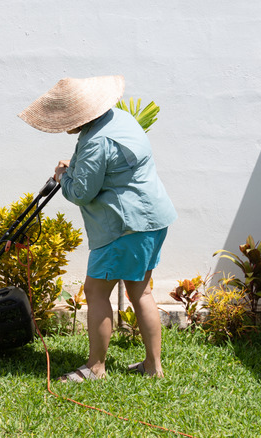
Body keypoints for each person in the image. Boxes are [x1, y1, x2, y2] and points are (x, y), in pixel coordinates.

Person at [18, 75, 177, 382]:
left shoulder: (95, 141)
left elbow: (82, 193)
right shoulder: (120, 119)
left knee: (95, 290)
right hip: (152, 219)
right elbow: (109, 167)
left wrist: (64, 176)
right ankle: (153, 367)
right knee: (140, 290)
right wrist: (75, 167)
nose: (65, 126)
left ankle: (95, 368)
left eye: (67, 119)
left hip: (124, 226)